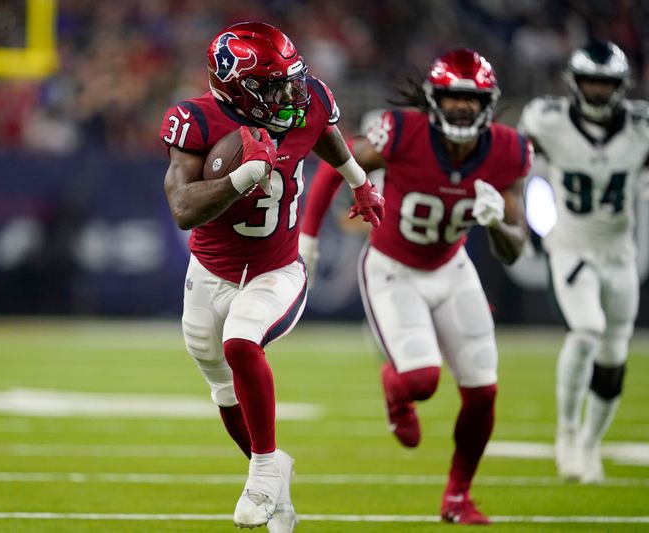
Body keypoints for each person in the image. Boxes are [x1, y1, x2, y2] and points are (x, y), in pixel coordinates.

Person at [159, 21, 383, 531]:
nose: (290, 93)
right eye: (273, 84)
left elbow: (326, 135)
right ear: (238, 85)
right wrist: (242, 177)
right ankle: (276, 480)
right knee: (222, 389)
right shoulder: (195, 120)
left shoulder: (307, 102)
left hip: (276, 269)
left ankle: (262, 473)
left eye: (291, 79)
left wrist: (360, 183)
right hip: (209, 269)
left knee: (242, 343)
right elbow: (181, 207)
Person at [300, 48, 531, 524]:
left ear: (488, 103)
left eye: (471, 99)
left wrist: (497, 226)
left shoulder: (508, 150)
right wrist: (307, 237)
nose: (462, 108)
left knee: (483, 391)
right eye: (452, 98)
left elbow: (515, 248)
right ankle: (396, 388)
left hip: (452, 267)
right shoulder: (402, 132)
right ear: (434, 100)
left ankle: (457, 497)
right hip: (393, 267)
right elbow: (333, 161)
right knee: (422, 381)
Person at [518, 40, 648, 484]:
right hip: (571, 246)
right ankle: (567, 433)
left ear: (620, 86)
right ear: (575, 83)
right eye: (590, 81)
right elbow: (517, 164)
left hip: (620, 252)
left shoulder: (641, 127)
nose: (596, 91)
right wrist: (529, 220)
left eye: (605, 83)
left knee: (614, 356)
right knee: (588, 328)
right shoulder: (547, 120)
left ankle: (591, 443)